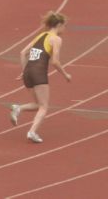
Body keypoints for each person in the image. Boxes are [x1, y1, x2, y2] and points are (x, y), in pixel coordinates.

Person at [9, 12, 72, 143]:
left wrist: (24, 70)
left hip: (28, 72)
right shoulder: (56, 39)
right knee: (44, 106)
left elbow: (22, 53)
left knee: (38, 104)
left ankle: (18, 108)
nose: (64, 29)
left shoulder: (41, 35)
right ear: (59, 25)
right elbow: (55, 61)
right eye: (64, 26)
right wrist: (65, 74)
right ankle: (32, 132)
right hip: (39, 72)